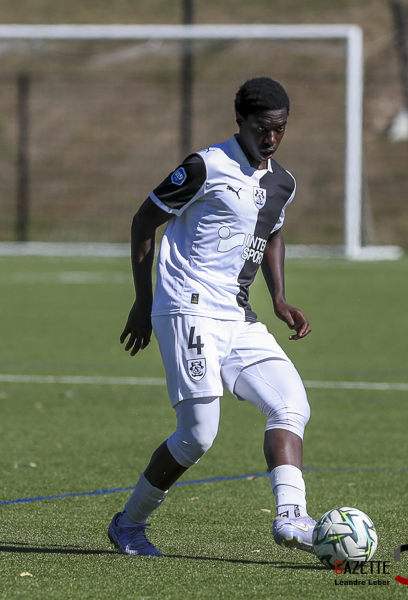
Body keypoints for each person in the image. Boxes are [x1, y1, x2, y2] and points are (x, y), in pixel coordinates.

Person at [108, 77, 315, 557]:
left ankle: (291, 519)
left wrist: (280, 298)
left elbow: (272, 232)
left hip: (236, 315)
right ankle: (128, 524)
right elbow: (144, 221)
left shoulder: (282, 181)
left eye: (280, 129)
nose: (271, 138)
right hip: (187, 307)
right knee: (198, 435)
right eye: (263, 128)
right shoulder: (206, 167)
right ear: (240, 122)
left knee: (291, 404)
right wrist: (143, 302)